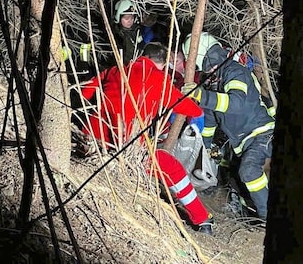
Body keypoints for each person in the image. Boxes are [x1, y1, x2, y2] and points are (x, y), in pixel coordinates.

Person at [78, 42, 214, 234]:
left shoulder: (116, 69)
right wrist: (188, 95)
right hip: (125, 148)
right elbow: (194, 110)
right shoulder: (158, 79)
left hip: (90, 140)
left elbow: (85, 92)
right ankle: (202, 220)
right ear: (163, 63)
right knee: (171, 167)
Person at [181, 32, 275, 220]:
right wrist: (205, 150)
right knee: (235, 178)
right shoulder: (211, 85)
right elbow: (209, 122)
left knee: (248, 171)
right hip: (242, 143)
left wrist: (201, 96)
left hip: (262, 133)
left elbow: (236, 104)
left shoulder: (234, 71)